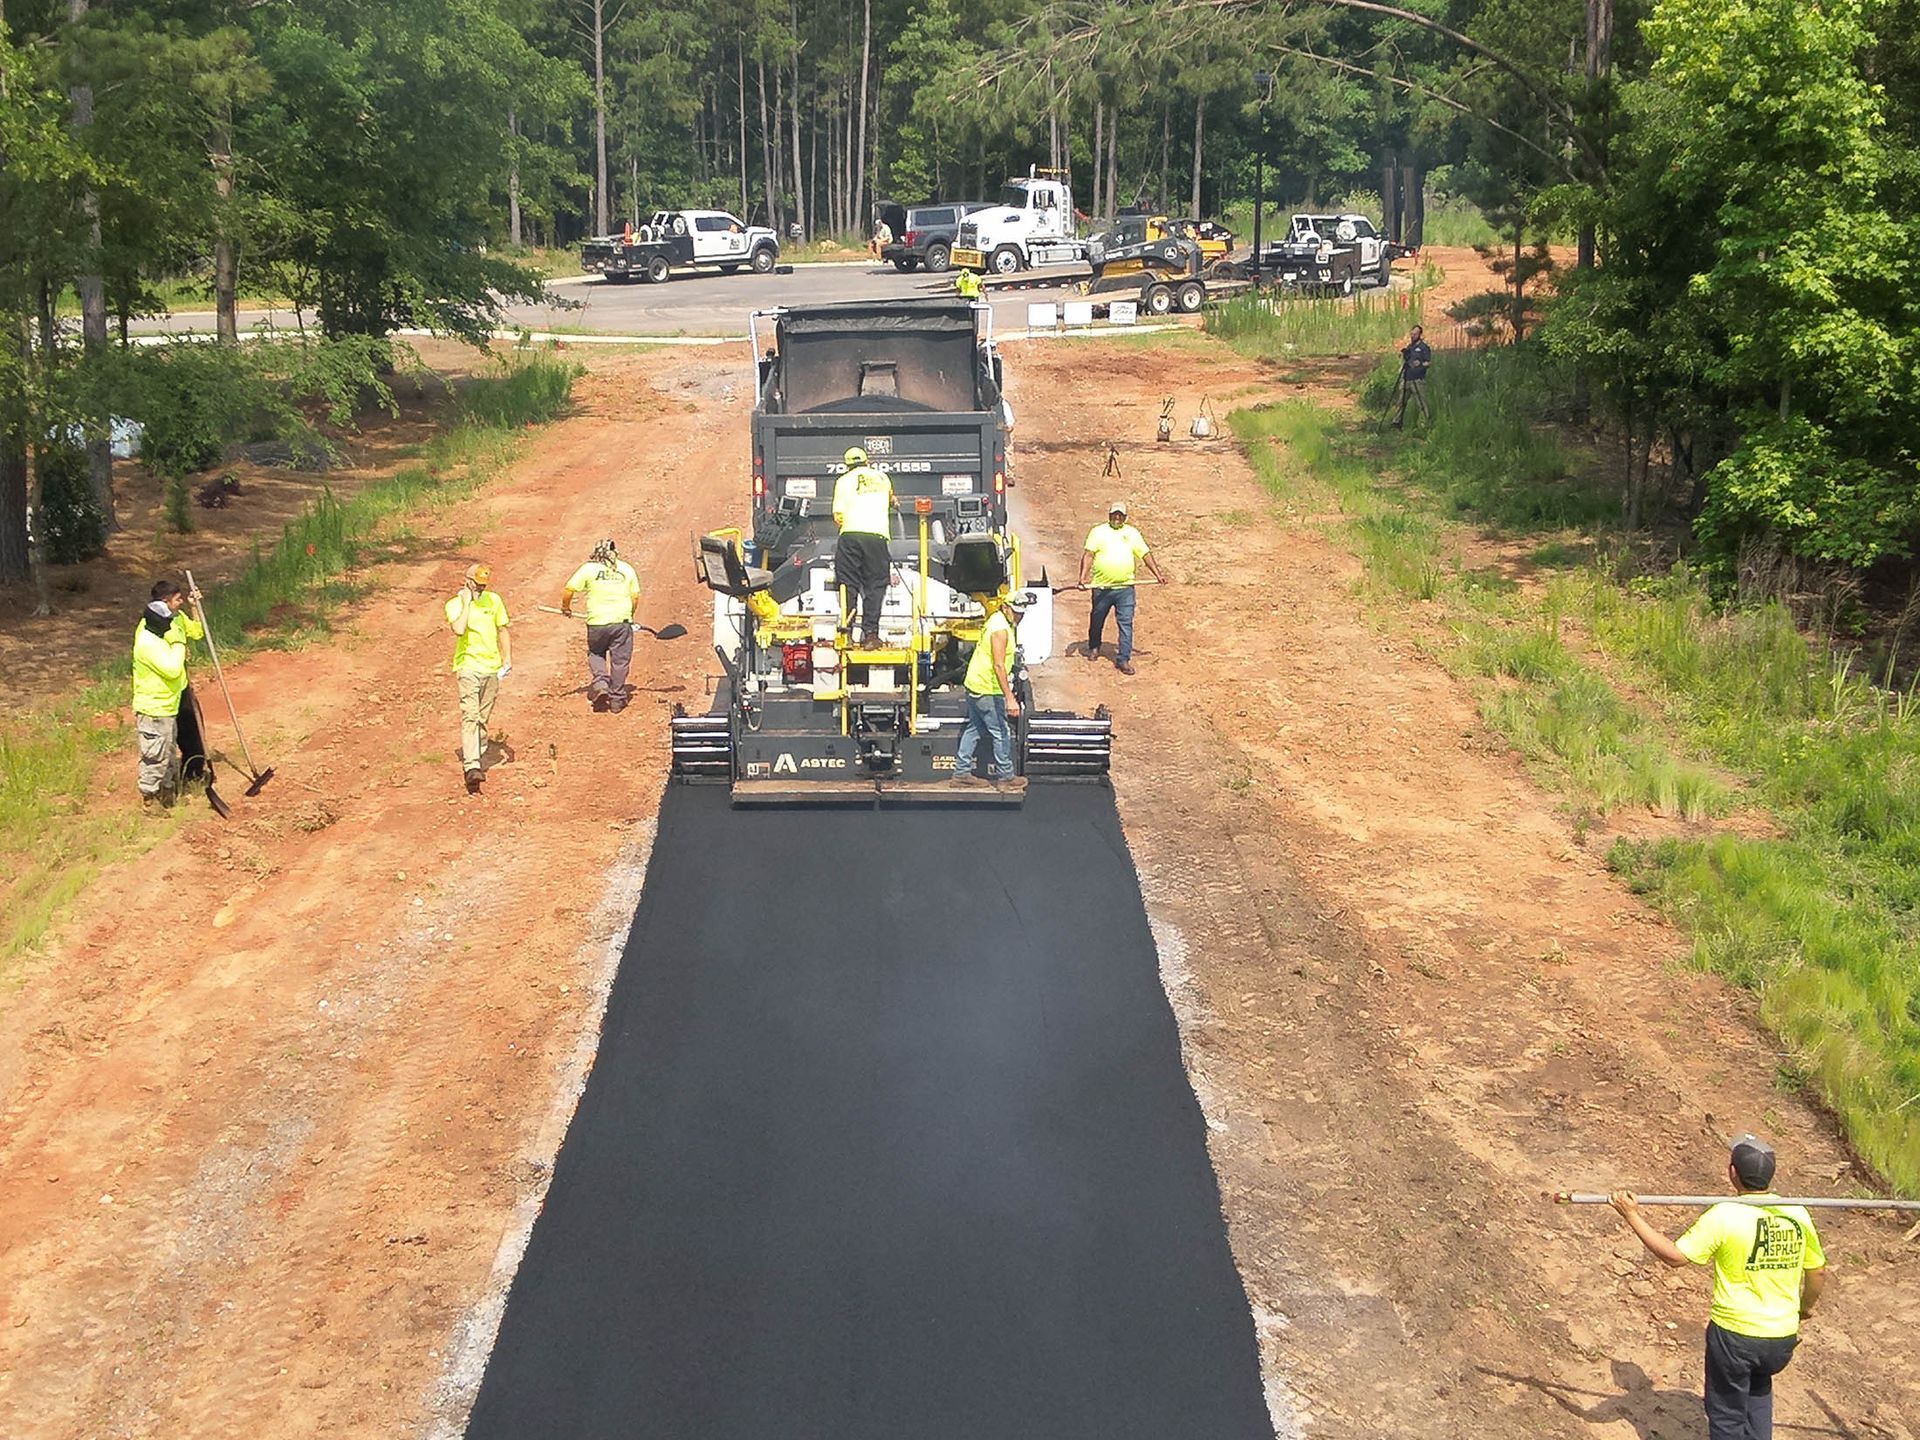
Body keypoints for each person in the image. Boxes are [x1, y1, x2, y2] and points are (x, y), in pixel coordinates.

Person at [1610, 1135, 1827, 1440]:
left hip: (1735, 1337)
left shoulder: (1724, 1215)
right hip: (1780, 1337)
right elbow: (1817, 1272)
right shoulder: (1797, 1213)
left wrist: (1632, 1216)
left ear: (1732, 1172)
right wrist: (1804, 1308)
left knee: (1727, 1415)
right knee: (1758, 1394)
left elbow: (1675, 1257)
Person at [131, 578, 205, 811]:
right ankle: (151, 800)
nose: (172, 624)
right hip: (155, 706)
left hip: (171, 701)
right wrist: (181, 647)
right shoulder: (148, 642)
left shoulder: (167, 626)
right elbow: (172, 669)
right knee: (156, 755)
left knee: (169, 750)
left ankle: (170, 792)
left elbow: (196, 633)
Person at [951, 591, 1032, 793]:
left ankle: (961, 773)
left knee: (975, 728)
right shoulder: (1000, 630)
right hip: (987, 688)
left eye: (1022, 613)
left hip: (975, 683)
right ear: (1006, 607)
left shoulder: (997, 620)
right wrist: (1010, 698)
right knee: (1000, 731)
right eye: (1016, 612)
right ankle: (1005, 777)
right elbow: (998, 665)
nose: (1019, 616)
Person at [1077, 500, 1168, 675]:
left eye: (1120, 515)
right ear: (1109, 515)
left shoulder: (1132, 533)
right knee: (1097, 618)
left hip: (1125, 589)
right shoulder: (1098, 532)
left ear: (1125, 517)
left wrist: (1157, 574)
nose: (1117, 518)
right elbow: (1088, 555)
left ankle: (1123, 659)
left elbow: (1145, 554)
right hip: (1102, 587)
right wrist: (1082, 578)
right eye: (1114, 515)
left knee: (1125, 623)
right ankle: (1094, 646)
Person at [445, 563, 512, 794]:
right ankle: (472, 766)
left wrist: (507, 659)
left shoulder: (494, 600)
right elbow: (459, 629)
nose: (480, 590)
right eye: (476, 585)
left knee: (483, 717)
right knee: (470, 715)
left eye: (483, 586)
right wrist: (466, 602)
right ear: (467, 581)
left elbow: (502, 629)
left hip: (491, 667)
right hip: (468, 667)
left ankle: (478, 752)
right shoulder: (454, 605)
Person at [561, 539, 641, 713]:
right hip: (621, 622)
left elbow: (569, 589)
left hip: (596, 622)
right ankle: (617, 699)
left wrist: (565, 608)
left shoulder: (589, 569)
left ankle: (601, 683)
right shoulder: (626, 569)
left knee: (596, 653)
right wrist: (629, 615)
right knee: (620, 660)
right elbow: (635, 597)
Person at [832, 446, 896, 647]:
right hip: (876, 537)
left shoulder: (842, 481)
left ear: (848, 465)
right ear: (867, 462)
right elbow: (890, 499)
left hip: (850, 536)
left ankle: (848, 633)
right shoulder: (882, 478)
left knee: (848, 584)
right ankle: (870, 634)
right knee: (875, 585)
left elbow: (838, 516)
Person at [1394, 324, 1433, 429]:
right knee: (1401, 402)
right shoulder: (1410, 347)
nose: (1413, 336)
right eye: (1412, 334)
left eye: (1415, 334)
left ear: (1420, 334)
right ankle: (1397, 422)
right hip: (1407, 378)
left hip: (1418, 380)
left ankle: (1425, 424)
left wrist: (1419, 364)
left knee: (1421, 404)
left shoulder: (1424, 348)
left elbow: (1428, 363)